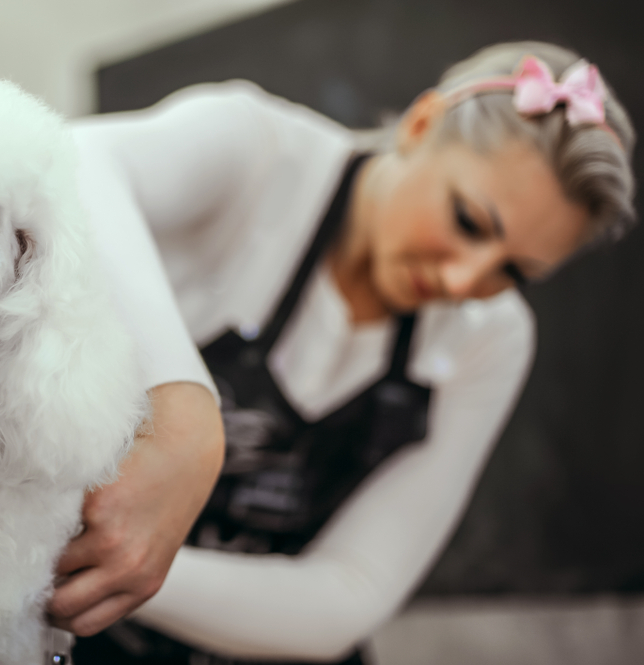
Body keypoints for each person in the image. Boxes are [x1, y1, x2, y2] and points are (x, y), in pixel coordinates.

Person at [48, 41, 636, 664]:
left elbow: (349, 593)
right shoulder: (256, 151)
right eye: (467, 221)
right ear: (420, 125)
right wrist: (183, 411)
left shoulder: (491, 335)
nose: (465, 283)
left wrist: (120, 561)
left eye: (513, 271)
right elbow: (72, 163)